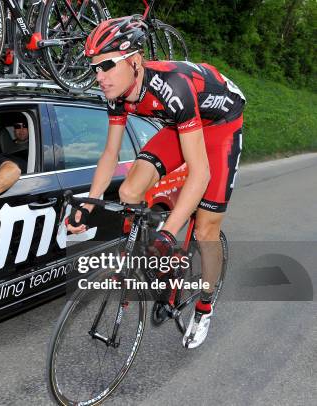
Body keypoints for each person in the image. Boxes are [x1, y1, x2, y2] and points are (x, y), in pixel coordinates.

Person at [71, 16, 245, 348]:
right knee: (129, 190)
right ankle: (161, 266)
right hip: (183, 123)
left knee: (206, 228)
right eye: (95, 68)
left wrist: (169, 232)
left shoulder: (173, 87)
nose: (99, 76)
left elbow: (201, 173)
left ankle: (205, 306)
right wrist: (90, 202)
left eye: (106, 65)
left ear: (134, 61)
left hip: (221, 124)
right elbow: (110, 154)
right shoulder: (117, 91)